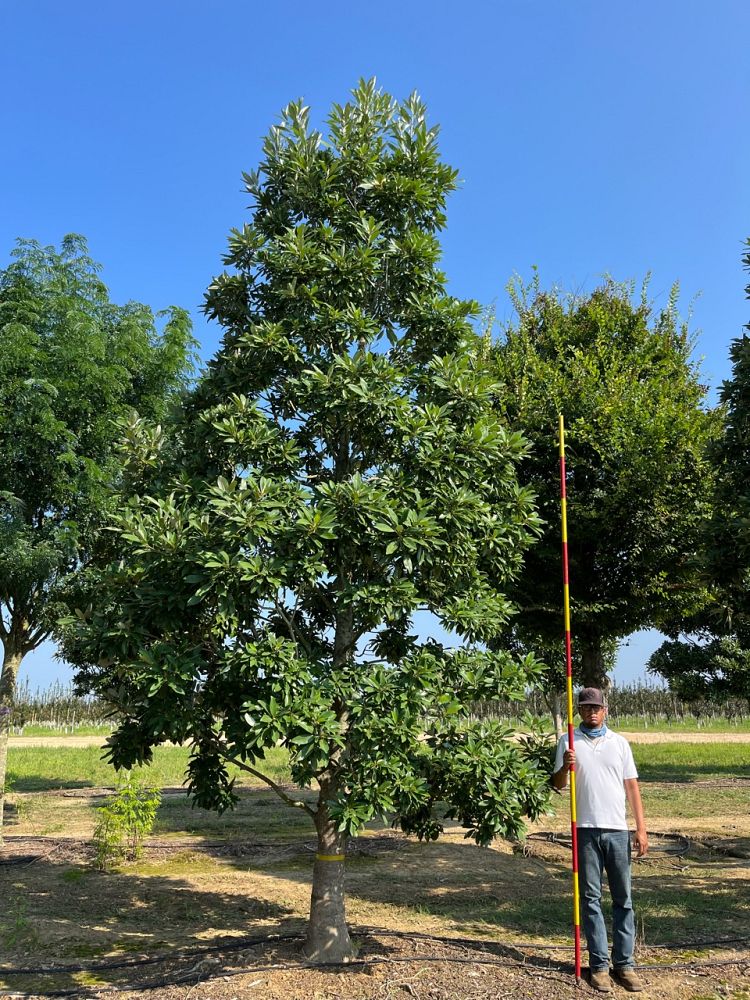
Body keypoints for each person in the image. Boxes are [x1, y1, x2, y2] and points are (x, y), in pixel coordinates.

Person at [552, 687, 648, 993]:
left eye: (597, 707)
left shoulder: (619, 743)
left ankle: (625, 964)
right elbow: (557, 784)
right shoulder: (568, 740)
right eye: (586, 707)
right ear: (579, 710)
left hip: (617, 830)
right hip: (585, 831)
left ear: (605, 710)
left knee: (623, 899)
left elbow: (632, 787)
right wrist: (565, 767)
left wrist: (641, 827)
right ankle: (599, 966)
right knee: (590, 900)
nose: (592, 711)